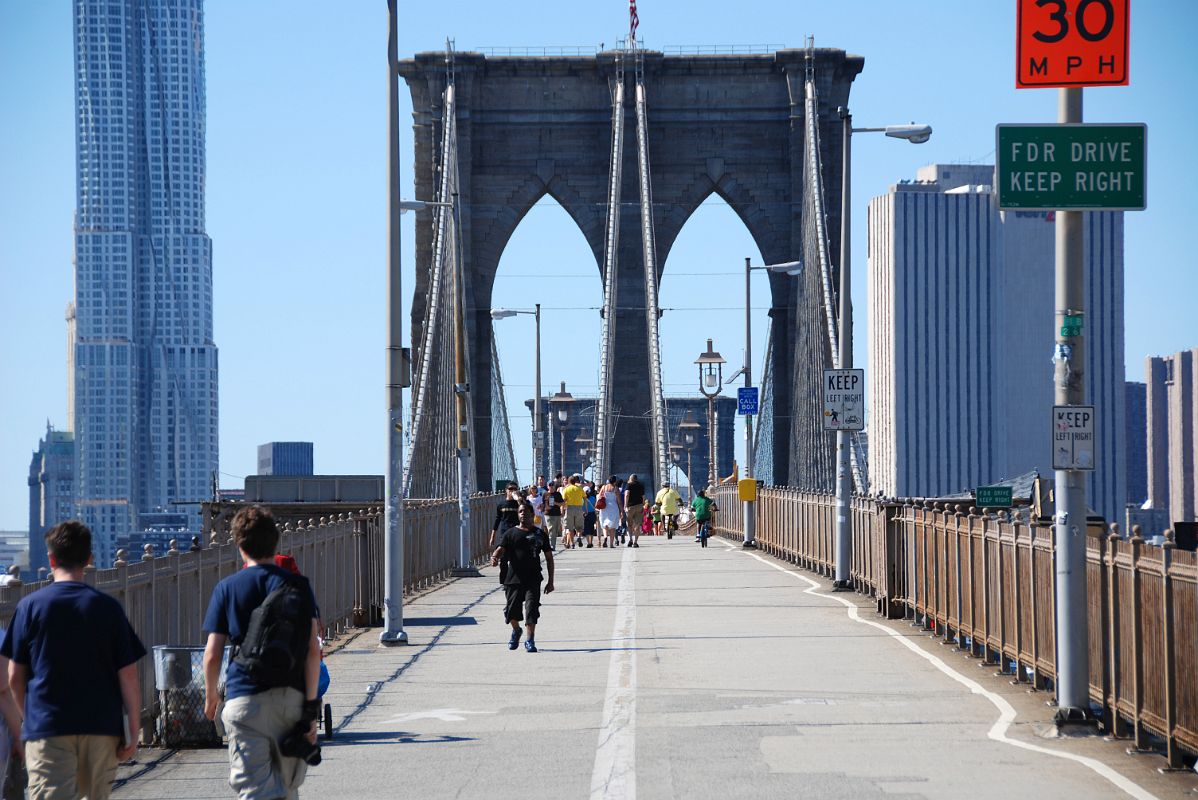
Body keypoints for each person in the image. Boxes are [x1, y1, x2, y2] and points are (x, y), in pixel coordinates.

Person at [1, 520, 145, 800]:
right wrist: (133, 728)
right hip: (101, 727)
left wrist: (28, 719)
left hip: (48, 725)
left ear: (51, 558)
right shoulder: (108, 608)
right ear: (89, 560)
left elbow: (14, 678)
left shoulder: (30, 607)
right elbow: (128, 676)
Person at [203, 506, 321, 800]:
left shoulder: (226, 588)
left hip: (245, 699)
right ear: (275, 542)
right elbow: (312, 650)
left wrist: (211, 696)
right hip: (290, 701)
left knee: (256, 790)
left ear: (240, 545)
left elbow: (212, 654)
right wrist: (310, 710)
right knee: (287, 788)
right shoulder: (298, 586)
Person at [490, 501, 555, 652]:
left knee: (531, 609)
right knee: (511, 610)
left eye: (526, 511)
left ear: (532, 514)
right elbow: (501, 549)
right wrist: (495, 557)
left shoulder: (539, 534)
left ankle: (530, 640)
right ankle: (516, 630)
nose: (523, 514)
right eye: (520, 512)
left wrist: (551, 581)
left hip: (533, 578)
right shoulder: (511, 533)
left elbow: (549, 558)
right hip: (513, 578)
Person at [561, 475, 586, 549]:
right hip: (579, 508)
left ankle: (572, 544)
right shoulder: (580, 489)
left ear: (569, 481)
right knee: (579, 526)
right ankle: (579, 536)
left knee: (570, 528)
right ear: (575, 481)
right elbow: (585, 498)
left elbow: (563, 501)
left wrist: (562, 510)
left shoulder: (566, 489)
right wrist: (586, 508)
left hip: (569, 508)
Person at [597, 476, 623, 548]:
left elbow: (599, 497)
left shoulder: (604, 487)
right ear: (615, 482)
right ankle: (611, 544)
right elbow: (619, 501)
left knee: (605, 523)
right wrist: (622, 511)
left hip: (605, 507)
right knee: (613, 527)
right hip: (613, 507)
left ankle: (605, 537)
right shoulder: (616, 489)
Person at [623, 474, 646, 549]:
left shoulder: (628, 485)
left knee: (629, 524)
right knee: (637, 525)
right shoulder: (641, 486)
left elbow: (626, 495)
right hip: (639, 506)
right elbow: (643, 497)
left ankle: (630, 539)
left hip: (630, 506)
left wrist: (625, 505)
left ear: (630, 479)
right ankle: (635, 542)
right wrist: (643, 504)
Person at [542, 481, 564, 552]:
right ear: (548, 486)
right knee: (551, 530)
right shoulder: (545, 494)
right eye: (550, 485)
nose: (551, 487)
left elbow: (562, 504)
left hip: (557, 514)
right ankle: (552, 546)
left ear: (554, 486)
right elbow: (542, 503)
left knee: (556, 530)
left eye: (552, 485)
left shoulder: (558, 494)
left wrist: (555, 503)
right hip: (548, 514)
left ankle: (552, 544)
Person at [582, 483, 598, 547]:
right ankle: (590, 542)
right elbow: (595, 506)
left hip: (585, 514)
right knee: (591, 528)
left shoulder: (582, 499)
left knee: (587, 529)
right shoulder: (593, 498)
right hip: (592, 514)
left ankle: (589, 543)